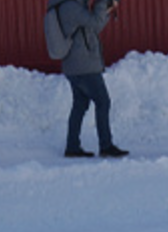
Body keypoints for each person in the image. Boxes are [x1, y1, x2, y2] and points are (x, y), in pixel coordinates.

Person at [49, 0, 128, 159]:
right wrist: (101, 3)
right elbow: (93, 22)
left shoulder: (71, 7)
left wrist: (106, 10)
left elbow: (93, 27)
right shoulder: (70, 7)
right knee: (103, 102)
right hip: (83, 65)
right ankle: (106, 146)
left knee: (80, 105)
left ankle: (72, 146)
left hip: (76, 65)